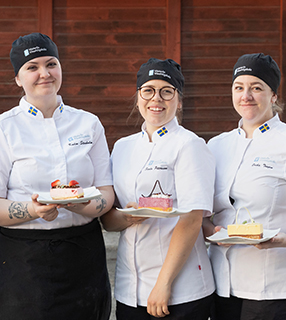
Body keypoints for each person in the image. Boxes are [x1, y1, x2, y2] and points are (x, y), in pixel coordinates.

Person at [0, 32, 114, 320]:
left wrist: (84, 205)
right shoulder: (1, 127)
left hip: (83, 253)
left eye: (51, 64)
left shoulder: (88, 123)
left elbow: (106, 192)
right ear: (18, 78)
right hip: (24, 260)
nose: (44, 73)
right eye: (32, 67)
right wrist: (32, 210)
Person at [203, 53, 286, 320]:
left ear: (274, 95)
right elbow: (206, 214)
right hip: (222, 281)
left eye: (256, 87)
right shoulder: (216, 146)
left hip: (275, 282)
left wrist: (284, 240)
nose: (246, 95)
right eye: (239, 87)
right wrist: (209, 230)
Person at [100, 58, 216, 319]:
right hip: (130, 289)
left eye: (167, 91)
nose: (157, 99)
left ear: (179, 100)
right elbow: (109, 220)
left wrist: (163, 283)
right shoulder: (122, 147)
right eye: (148, 90)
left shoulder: (190, 145)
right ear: (138, 96)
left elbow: (192, 218)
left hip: (180, 289)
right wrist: (126, 216)